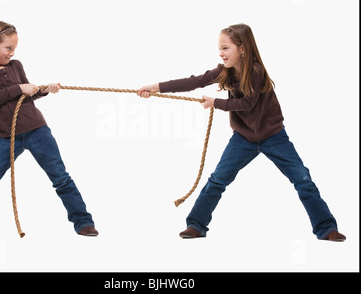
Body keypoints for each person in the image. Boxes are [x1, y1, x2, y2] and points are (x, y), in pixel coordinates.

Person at [138, 24, 345, 242]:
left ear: (242, 48)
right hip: (243, 138)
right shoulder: (224, 72)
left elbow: (247, 104)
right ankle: (196, 225)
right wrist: (154, 87)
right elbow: (194, 81)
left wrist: (215, 103)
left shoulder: (256, 71)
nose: (221, 53)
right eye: (220, 48)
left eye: (226, 48)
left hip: (273, 136)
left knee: (302, 179)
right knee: (218, 180)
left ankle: (326, 228)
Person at [0, 21, 98, 236]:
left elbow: (29, 92)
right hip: (6, 137)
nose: (11, 53)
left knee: (60, 176)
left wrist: (46, 90)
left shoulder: (16, 65)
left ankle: (83, 222)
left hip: (37, 130)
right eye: (8, 48)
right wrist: (20, 88)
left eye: (14, 49)